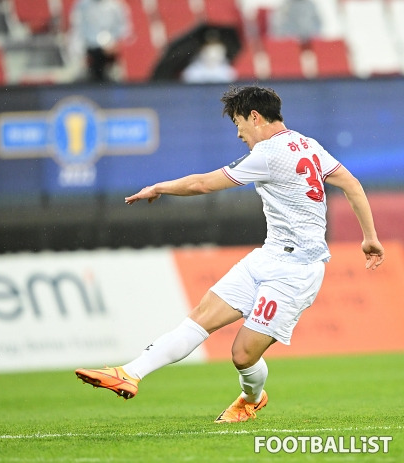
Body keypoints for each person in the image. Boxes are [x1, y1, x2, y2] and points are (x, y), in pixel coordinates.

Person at [75, 85, 384, 423]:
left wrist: (160, 187)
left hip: (297, 270)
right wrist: (369, 237)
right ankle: (129, 373)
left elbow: (203, 185)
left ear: (255, 116)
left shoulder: (267, 154)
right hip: (266, 256)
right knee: (199, 318)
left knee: (242, 355)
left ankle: (251, 399)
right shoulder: (308, 144)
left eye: (238, 122)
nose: (238, 133)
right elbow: (351, 183)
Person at [69, 0, 132, 82]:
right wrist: (80, 53)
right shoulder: (82, 5)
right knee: (87, 79)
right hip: (90, 51)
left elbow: (125, 29)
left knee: (114, 79)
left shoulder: (116, 5)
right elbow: (77, 30)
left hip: (110, 51)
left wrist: (115, 44)